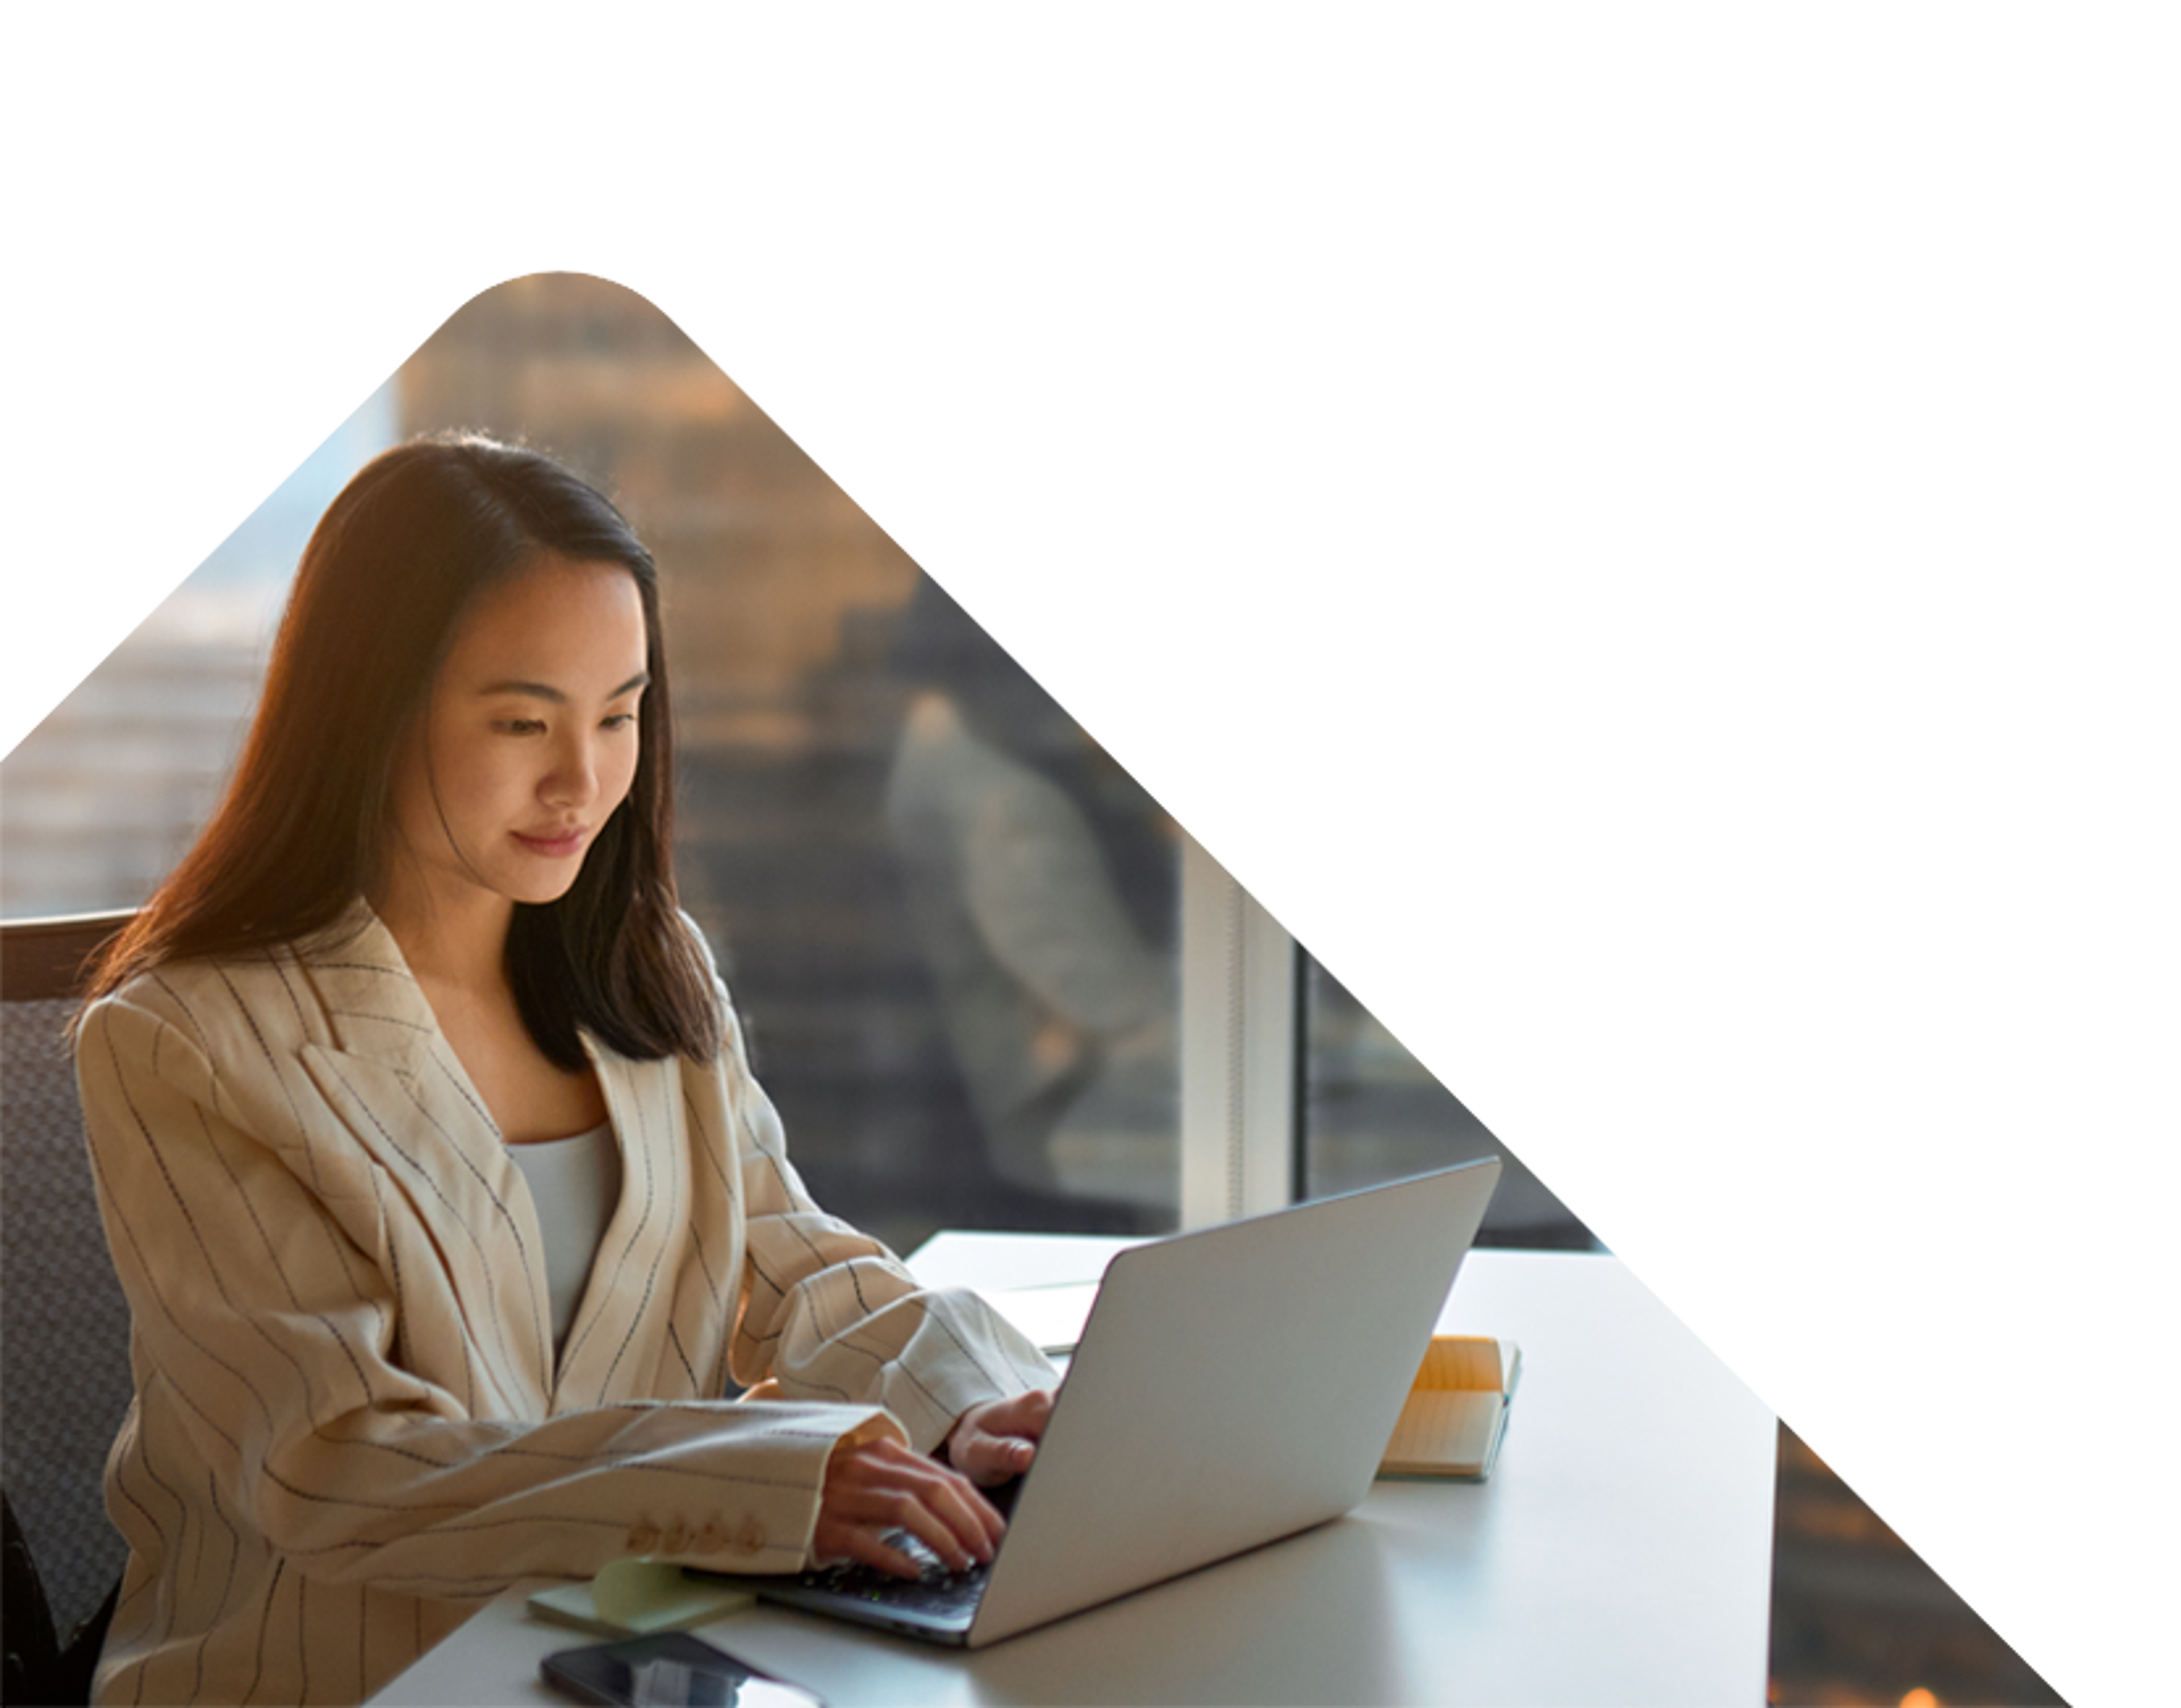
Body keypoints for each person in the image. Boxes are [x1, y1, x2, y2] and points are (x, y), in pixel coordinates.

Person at [71, 432, 1059, 1707]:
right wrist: (758, 1481)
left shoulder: (647, 963)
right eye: (523, 721)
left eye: (619, 714)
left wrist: (972, 1407)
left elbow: (789, 1262)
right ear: (372, 711)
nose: (582, 782)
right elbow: (338, 1466)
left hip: (622, 1656)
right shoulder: (185, 1040)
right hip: (343, 1679)